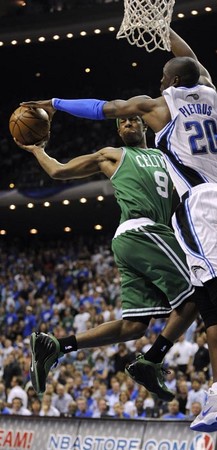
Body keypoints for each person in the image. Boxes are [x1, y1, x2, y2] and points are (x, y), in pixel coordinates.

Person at [19, 27, 217, 436]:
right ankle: (215, 391)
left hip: (198, 206)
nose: (159, 84)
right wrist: (166, 30)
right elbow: (191, 60)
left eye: (163, 78)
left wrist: (53, 103)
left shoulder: (157, 108)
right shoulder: (209, 95)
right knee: (207, 295)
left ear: (174, 83)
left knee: (210, 298)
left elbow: (103, 107)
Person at [16, 111, 196, 400]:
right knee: (197, 294)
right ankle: (152, 359)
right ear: (117, 130)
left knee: (133, 327)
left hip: (140, 239)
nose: (128, 123)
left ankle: (57, 346)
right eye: (122, 121)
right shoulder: (112, 155)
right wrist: (38, 150)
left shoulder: (167, 156)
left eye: (134, 119)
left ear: (144, 123)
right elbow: (58, 171)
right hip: (143, 231)